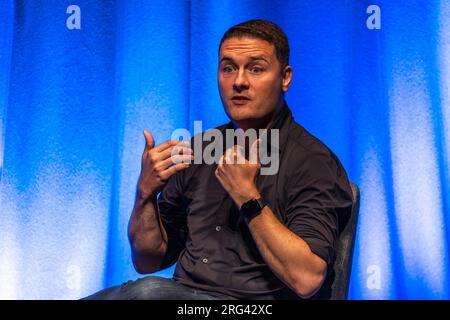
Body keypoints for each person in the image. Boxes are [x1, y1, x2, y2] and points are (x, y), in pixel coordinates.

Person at [84, 19, 353, 300]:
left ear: (285, 78)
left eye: (256, 69)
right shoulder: (200, 150)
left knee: (147, 294)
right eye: (228, 68)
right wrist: (145, 195)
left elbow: (307, 279)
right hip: (184, 297)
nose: (239, 81)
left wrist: (247, 196)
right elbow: (148, 260)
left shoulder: (313, 161)